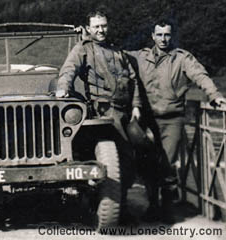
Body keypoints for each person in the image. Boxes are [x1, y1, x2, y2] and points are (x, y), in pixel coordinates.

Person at [126, 19, 226, 223]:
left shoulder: (182, 58)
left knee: (167, 163)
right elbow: (116, 55)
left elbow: (200, 75)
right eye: (159, 35)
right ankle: (153, 206)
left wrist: (214, 94)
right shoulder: (140, 57)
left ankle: (167, 209)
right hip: (146, 121)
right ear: (153, 36)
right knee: (147, 164)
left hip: (172, 120)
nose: (163, 39)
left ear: (171, 36)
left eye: (167, 35)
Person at [56, 9, 141, 223]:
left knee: (129, 162)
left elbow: (133, 80)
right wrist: (63, 88)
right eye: (96, 26)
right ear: (89, 28)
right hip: (104, 112)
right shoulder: (84, 49)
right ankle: (111, 211)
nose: (101, 30)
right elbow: (69, 69)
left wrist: (137, 106)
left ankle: (118, 207)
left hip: (124, 112)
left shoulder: (117, 51)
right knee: (115, 163)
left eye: (103, 26)